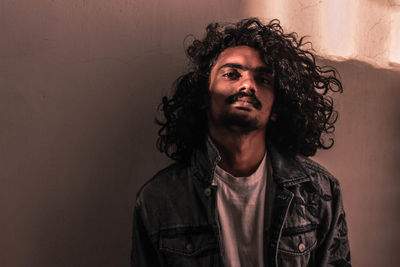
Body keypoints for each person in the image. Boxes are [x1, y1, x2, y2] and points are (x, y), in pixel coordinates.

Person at [131, 18, 351, 267]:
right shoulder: (159, 198)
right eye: (231, 74)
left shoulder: (319, 191)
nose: (248, 85)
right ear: (205, 94)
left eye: (263, 79)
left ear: (276, 107)